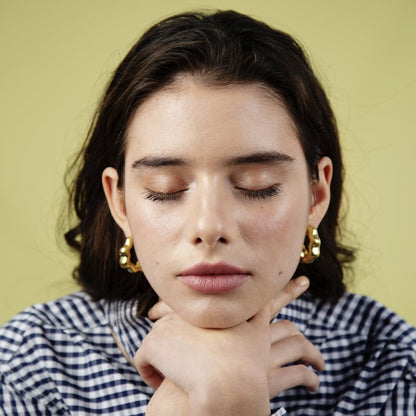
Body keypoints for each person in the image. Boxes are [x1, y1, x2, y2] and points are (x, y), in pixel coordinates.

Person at [0, 9, 415, 416]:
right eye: (166, 190)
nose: (209, 228)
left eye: (258, 185)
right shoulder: (30, 365)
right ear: (120, 202)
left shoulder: (390, 364)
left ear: (316, 195)